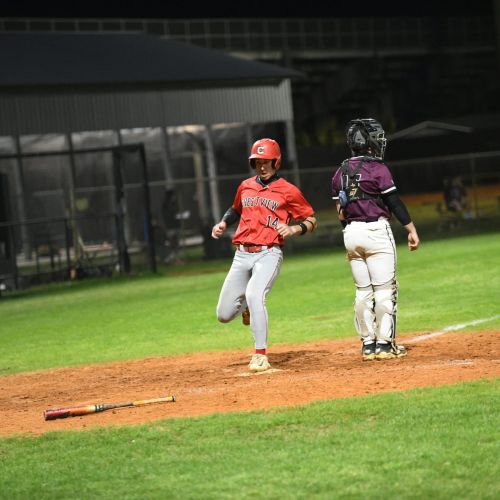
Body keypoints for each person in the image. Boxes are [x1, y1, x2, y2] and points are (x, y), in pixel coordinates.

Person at [212, 138, 317, 372]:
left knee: (255, 294)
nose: (261, 166)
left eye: (266, 161)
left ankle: (260, 355)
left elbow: (311, 220)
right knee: (223, 314)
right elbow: (236, 209)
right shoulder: (245, 185)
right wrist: (223, 222)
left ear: (276, 162)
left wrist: (294, 229)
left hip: (268, 253)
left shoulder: (288, 190)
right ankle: (247, 307)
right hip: (241, 254)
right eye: (257, 162)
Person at [331, 118, 420, 361]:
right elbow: (394, 203)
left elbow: (341, 213)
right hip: (376, 231)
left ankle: (368, 345)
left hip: (351, 233)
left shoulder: (340, 172)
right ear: (369, 142)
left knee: (362, 292)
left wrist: (350, 232)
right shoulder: (378, 169)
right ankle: (384, 345)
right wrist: (411, 229)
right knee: (384, 290)